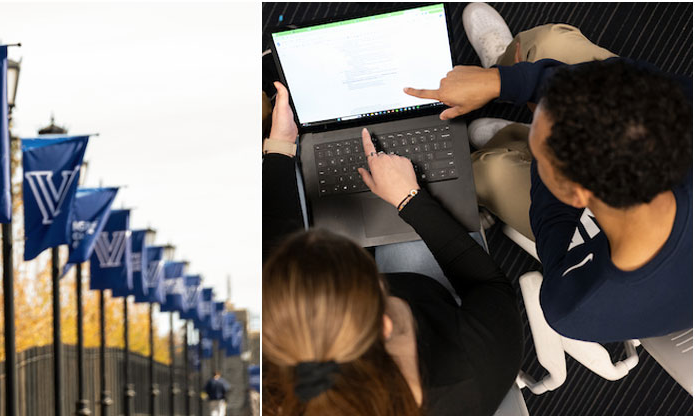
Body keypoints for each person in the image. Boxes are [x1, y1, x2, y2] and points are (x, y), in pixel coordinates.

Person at [404, 3, 692, 342]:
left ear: (577, 194)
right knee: (549, 43)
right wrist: (502, 82)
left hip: (599, 242)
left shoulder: (573, 305)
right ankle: (517, 116)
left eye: (544, 153)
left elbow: (552, 225)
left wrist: (533, 110)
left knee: (481, 173)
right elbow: (637, 81)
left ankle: (513, 139)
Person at [262, 81, 522, 415]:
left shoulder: (276, 389)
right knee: (422, 209)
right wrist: (410, 199)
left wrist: (280, 144)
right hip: (434, 301)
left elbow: (278, 265)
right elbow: (489, 285)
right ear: (384, 321)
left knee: (282, 177)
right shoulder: (479, 365)